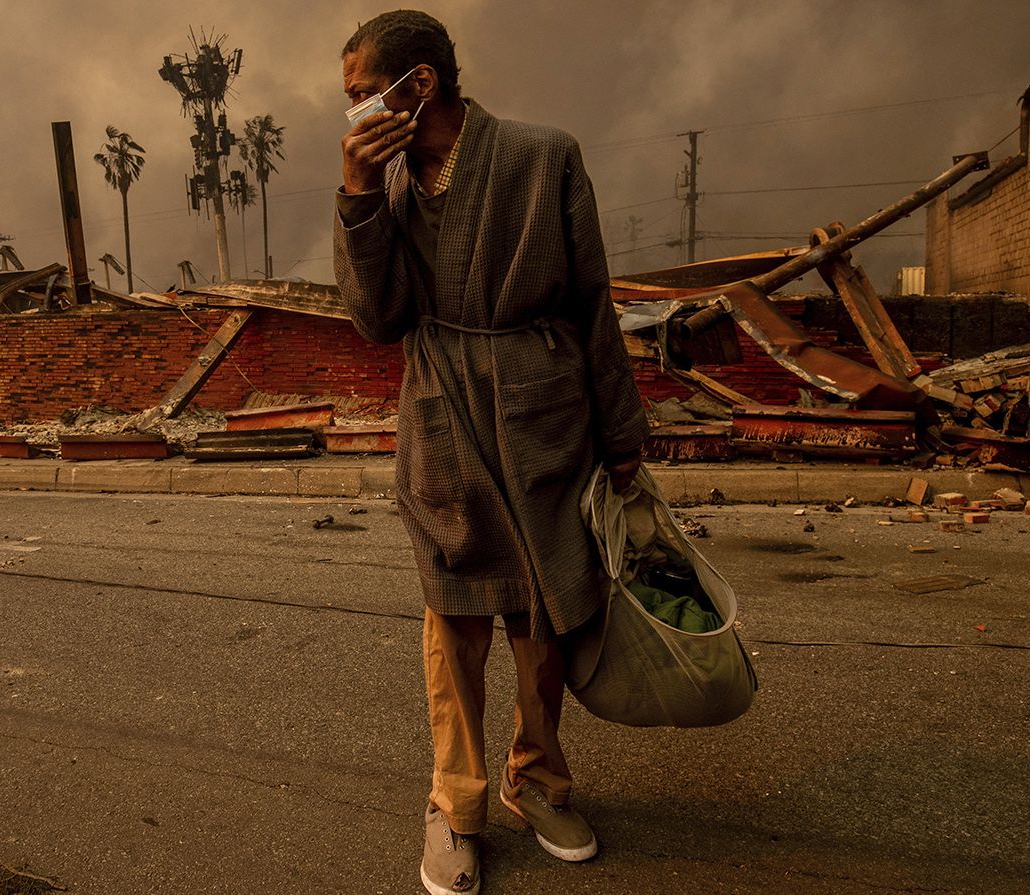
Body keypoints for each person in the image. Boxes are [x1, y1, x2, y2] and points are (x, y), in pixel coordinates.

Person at [330, 10, 648, 894]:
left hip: (544, 408)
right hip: (439, 411)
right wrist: (356, 195)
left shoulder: (545, 156)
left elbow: (593, 302)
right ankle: (455, 804)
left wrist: (620, 435)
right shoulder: (385, 185)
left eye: (363, 95)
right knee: (454, 614)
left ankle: (536, 779)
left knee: (543, 614)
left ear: (418, 83)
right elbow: (376, 319)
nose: (355, 114)